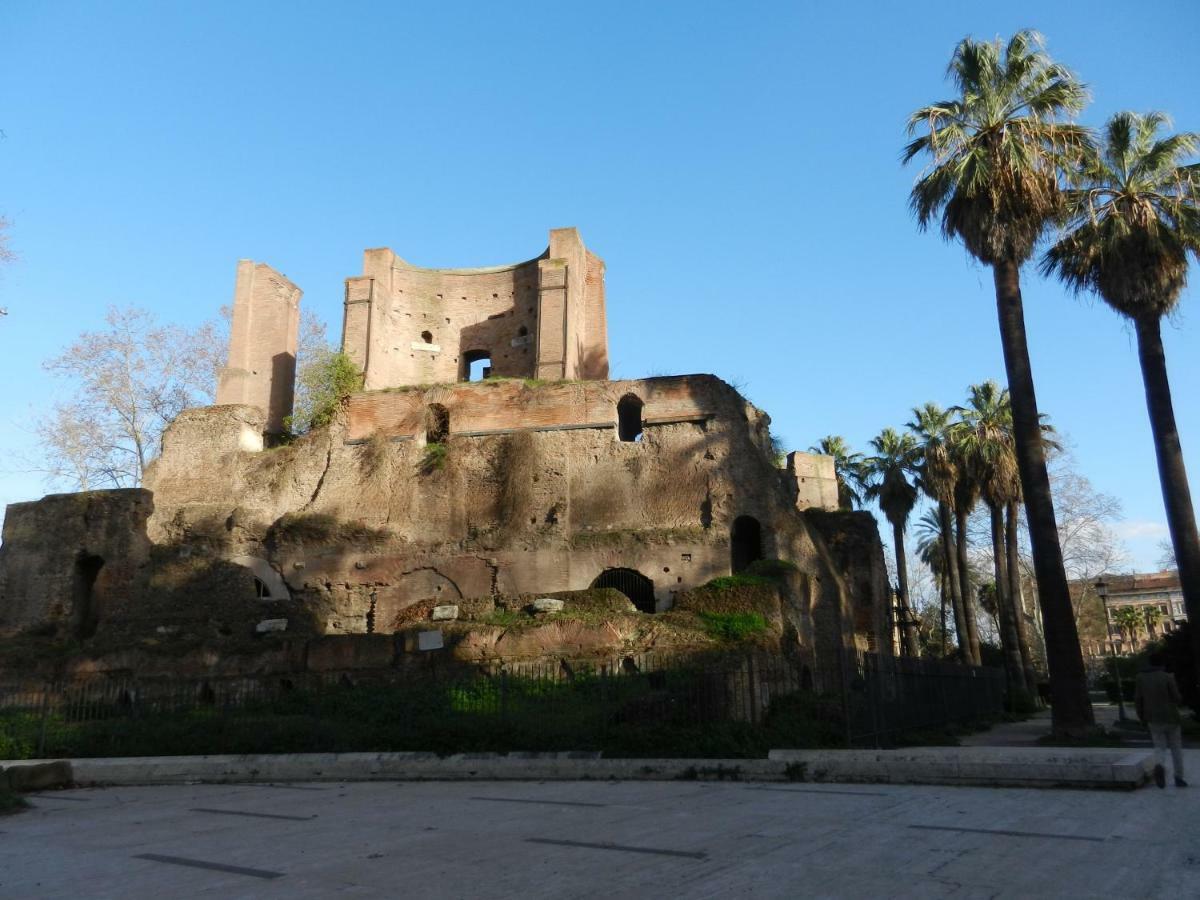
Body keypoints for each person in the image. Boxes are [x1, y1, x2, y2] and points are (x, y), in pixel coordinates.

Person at [1135, 651, 1187, 788]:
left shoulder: (1140, 678)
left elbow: (1138, 699)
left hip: (1152, 717)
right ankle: (1179, 777)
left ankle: (1159, 764)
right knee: (1176, 748)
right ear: (1162, 664)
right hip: (1171, 717)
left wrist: (1141, 716)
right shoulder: (1167, 677)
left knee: (1159, 746)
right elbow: (1177, 698)